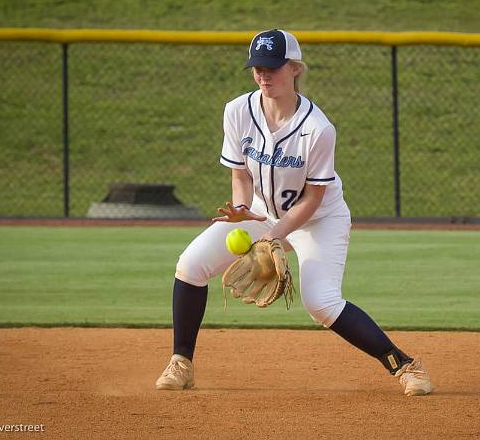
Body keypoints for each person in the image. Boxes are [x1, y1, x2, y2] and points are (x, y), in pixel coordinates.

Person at [155, 29, 432, 396]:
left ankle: (405, 365)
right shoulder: (237, 111)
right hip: (259, 214)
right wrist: (240, 209)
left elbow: (313, 198)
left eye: (273, 66)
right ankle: (181, 363)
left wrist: (274, 235)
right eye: (257, 67)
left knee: (321, 302)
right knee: (191, 266)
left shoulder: (318, 129)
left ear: (295, 68)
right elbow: (240, 176)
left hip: (318, 220)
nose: (264, 75)